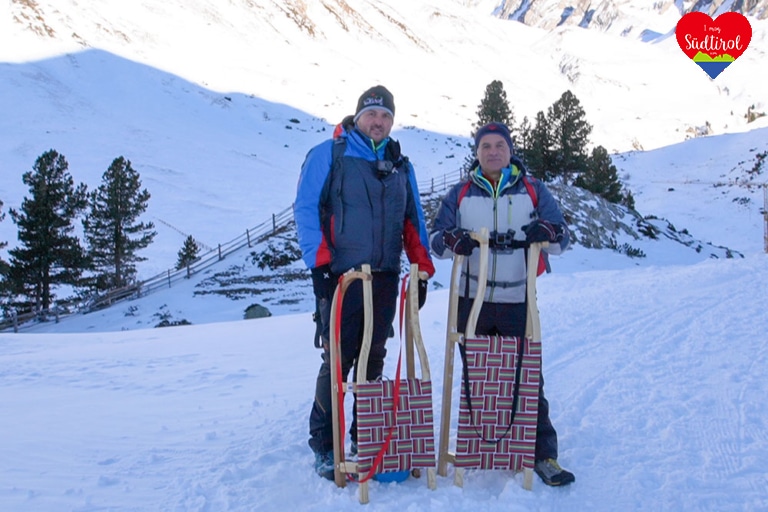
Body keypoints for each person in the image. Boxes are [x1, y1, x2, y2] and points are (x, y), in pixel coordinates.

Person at [294, 85, 435, 480]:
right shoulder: (330, 155)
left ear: (392, 122)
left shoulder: (399, 164)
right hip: (342, 277)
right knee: (338, 360)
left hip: (385, 276)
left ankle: (364, 435)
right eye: (371, 114)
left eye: (385, 116)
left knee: (374, 358)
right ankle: (325, 445)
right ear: (358, 117)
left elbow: (413, 220)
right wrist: (319, 267)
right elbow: (306, 208)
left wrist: (422, 268)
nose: (378, 121)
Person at [429, 122, 575, 487]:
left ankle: (542, 454)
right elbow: (437, 239)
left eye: (500, 146)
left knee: (527, 378)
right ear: (477, 153)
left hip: (515, 297)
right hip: (470, 299)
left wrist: (547, 233)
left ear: (510, 151)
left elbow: (562, 237)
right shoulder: (461, 192)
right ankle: (479, 443)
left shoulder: (532, 189)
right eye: (485, 146)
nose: (493, 152)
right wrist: (452, 239)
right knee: (476, 375)